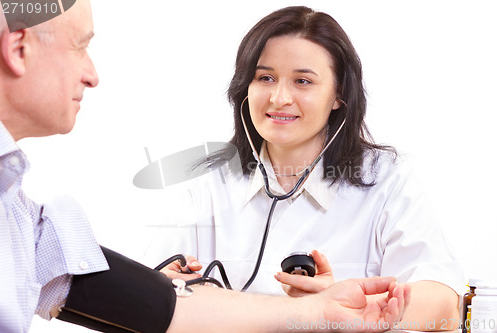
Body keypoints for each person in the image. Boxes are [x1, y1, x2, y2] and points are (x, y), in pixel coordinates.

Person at [0, 1, 410, 332]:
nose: (93, 74)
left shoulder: (16, 218)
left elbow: (137, 302)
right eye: (79, 47)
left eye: (303, 81)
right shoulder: (209, 184)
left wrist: (321, 312)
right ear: (18, 50)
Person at [149, 5, 464, 331]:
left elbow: (444, 304)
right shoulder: (209, 185)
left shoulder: (386, 180)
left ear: (339, 94)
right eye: (265, 78)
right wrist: (160, 288)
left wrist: (346, 305)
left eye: (302, 81)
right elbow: (149, 292)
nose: (279, 97)